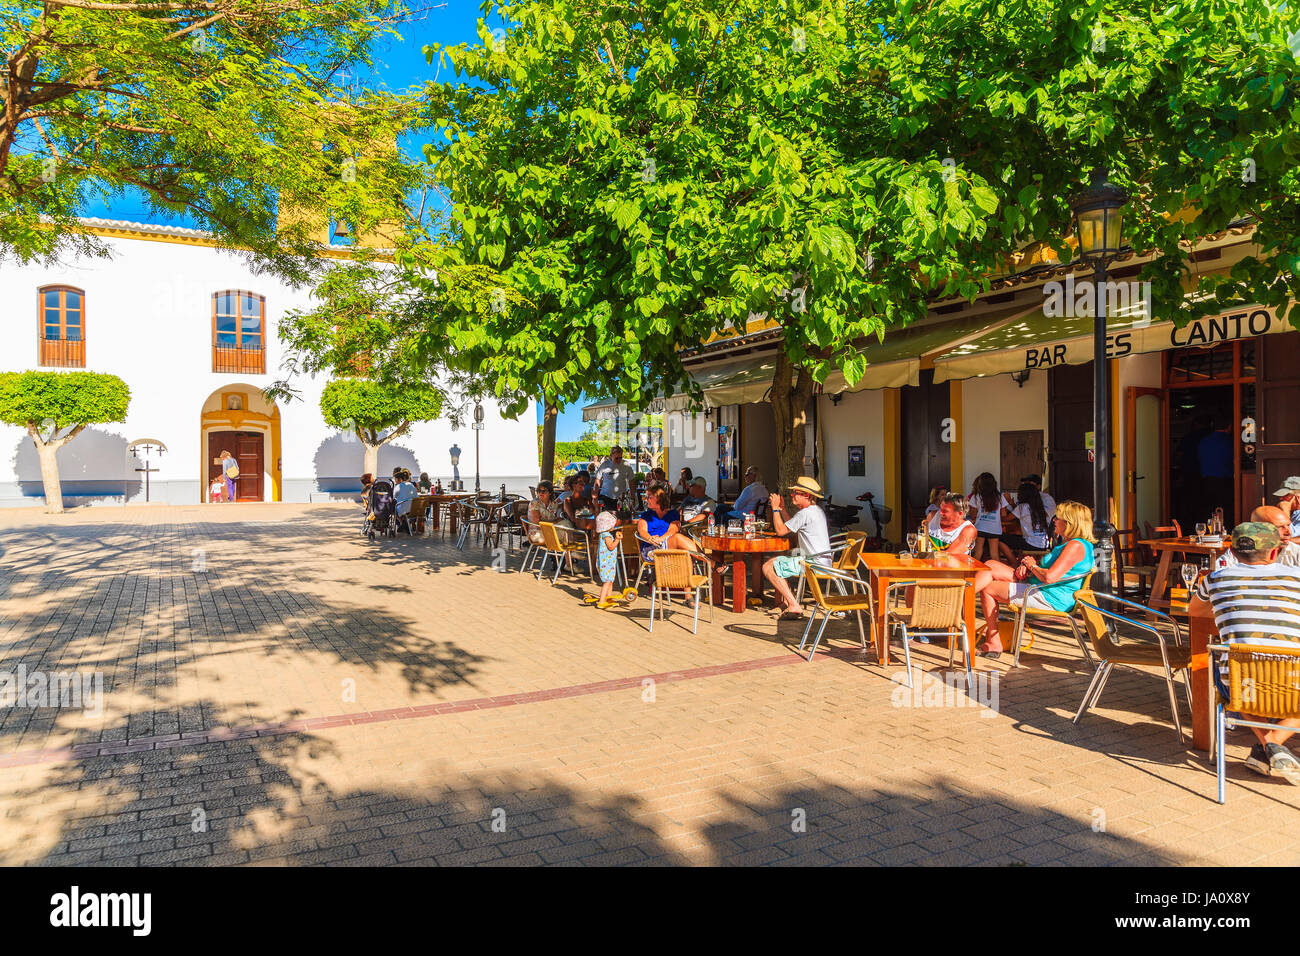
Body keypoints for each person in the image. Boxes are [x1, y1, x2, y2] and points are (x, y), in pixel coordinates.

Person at [1193, 521, 1300, 782]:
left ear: (1232, 550)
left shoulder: (1215, 579)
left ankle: (1268, 746)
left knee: (1239, 676)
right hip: (1294, 685)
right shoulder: (1297, 577)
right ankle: (1273, 743)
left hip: (1241, 687)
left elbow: (1195, 611)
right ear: (1275, 552)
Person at [973, 500, 1096, 659]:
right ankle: (962, 597)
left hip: (1050, 597)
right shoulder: (1073, 544)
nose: (1054, 521)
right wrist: (1029, 567)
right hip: (1041, 587)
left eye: (1057, 518)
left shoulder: (1075, 546)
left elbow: (1050, 577)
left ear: (1069, 523)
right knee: (991, 565)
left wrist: (1032, 567)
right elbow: (1054, 571)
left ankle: (992, 639)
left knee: (989, 588)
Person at [762, 477, 833, 620]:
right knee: (775, 561)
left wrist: (775, 509)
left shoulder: (805, 513)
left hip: (814, 564)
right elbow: (793, 526)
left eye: (796, 492)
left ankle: (794, 605)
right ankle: (785, 603)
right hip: (822, 561)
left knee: (768, 567)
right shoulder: (815, 510)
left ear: (806, 495)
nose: (792, 495)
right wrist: (782, 509)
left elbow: (781, 531)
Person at [1215, 505, 1300, 569]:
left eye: (1288, 525)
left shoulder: (1296, 552)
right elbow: (1218, 572)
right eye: (1280, 527)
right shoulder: (1240, 551)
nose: (1289, 532)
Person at [636, 487, 698, 561]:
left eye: (649, 497)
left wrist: (660, 540)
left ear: (658, 498)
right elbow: (642, 531)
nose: (646, 499)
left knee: (685, 555)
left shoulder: (673, 514)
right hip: (651, 549)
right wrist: (650, 538)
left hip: (669, 545)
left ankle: (710, 563)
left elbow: (673, 530)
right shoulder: (645, 515)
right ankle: (710, 562)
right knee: (678, 538)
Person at [1000, 478, 1055, 556]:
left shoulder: (1022, 507)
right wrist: (1011, 504)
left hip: (1031, 544)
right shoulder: (1040, 507)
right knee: (1016, 536)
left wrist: (1003, 503)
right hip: (1044, 545)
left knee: (998, 538)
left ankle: (1013, 562)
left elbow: (1004, 519)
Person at [584, 511, 623, 610]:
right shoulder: (607, 536)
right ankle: (602, 601)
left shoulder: (602, 534)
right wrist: (617, 540)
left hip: (607, 562)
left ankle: (608, 598)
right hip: (607, 563)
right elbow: (611, 547)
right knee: (607, 582)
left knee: (610, 581)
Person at [968, 472, 1011, 562]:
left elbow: (973, 515)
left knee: (978, 552)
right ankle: (998, 574)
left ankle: (973, 572)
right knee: (994, 554)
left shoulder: (976, 497)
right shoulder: (1000, 497)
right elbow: (1004, 514)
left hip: (980, 528)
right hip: (994, 529)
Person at [527, 480, 566, 544]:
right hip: (537, 533)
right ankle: (568, 552)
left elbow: (559, 517)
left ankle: (566, 552)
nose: (541, 493)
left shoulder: (554, 504)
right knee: (566, 535)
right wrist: (554, 522)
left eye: (544, 491)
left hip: (551, 530)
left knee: (566, 527)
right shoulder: (534, 503)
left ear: (550, 492)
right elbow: (536, 521)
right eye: (539, 491)